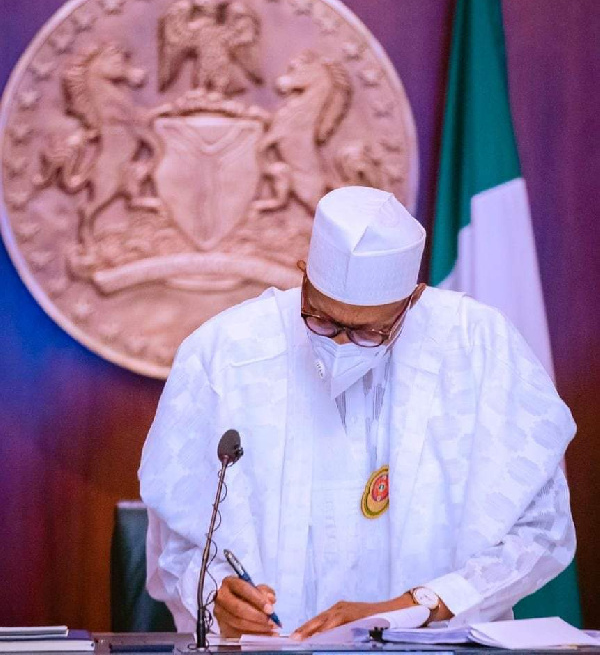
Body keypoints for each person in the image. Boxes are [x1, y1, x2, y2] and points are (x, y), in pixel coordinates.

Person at [139, 186, 576, 639]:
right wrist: (215, 597)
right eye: (322, 321)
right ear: (304, 277)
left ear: (413, 300)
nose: (340, 347)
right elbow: (179, 545)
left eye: (369, 332)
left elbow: (540, 530)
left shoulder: (478, 346)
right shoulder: (223, 353)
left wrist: (414, 606)